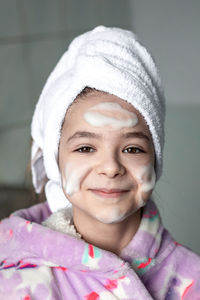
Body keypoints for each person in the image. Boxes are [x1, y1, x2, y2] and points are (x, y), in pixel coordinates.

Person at [0, 26, 200, 300]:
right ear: (55, 160)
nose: (110, 167)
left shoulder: (193, 279)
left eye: (132, 148)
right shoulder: (13, 281)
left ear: (155, 159)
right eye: (85, 147)